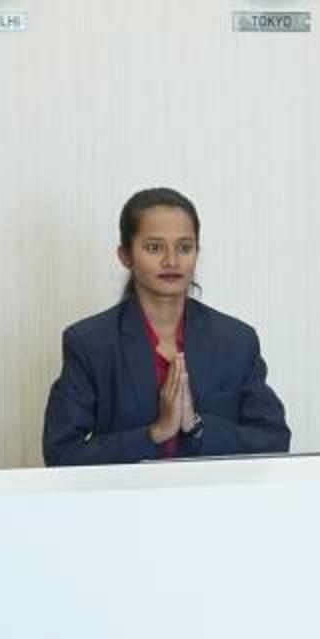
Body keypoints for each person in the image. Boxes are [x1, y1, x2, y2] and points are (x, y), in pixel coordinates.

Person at [43, 187, 288, 464]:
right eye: (154, 247)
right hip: (126, 493)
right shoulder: (90, 343)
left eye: (184, 247)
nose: (171, 260)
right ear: (125, 255)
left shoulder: (235, 340)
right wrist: (156, 433)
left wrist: (196, 426)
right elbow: (61, 454)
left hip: (214, 493)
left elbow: (274, 439)